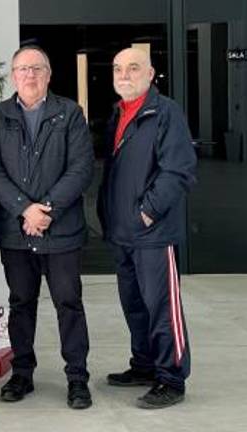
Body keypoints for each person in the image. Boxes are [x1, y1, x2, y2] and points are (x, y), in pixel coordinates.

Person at [0, 45, 95, 409]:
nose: (29, 75)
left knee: (68, 302)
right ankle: (22, 374)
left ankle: (77, 378)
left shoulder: (70, 113)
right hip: (16, 231)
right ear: (13, 76)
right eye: (22, 69)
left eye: (36, 68)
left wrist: (44, 210)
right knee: (21, 302)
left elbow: (80, 169)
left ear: (48, 74)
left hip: (61, 229)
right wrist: (24, 209)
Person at [99, 47, 196, 409]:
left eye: (133, 68)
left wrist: (148, 212)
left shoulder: (165, 112)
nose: (124, 74)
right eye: (118, 68)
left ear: (151, 73)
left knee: (161, 307)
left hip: (152, 233)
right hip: (121, 233)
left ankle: (171, 377)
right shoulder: (118, 113)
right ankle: (144, 365)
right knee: (134, 305)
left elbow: (179, 170)